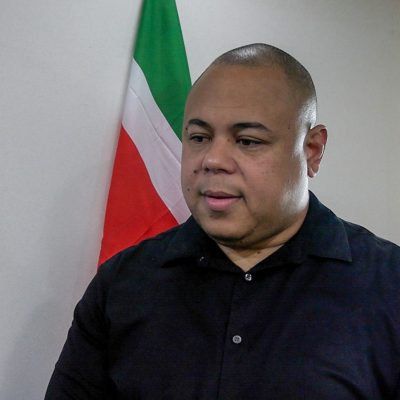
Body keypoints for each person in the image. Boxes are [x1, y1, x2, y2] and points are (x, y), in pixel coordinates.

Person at [45, 43, 400, 399]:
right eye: (199, 138)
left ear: (312, 150)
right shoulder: (122, 284)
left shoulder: (388, 285)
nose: (213, 160)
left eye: (247, 141)